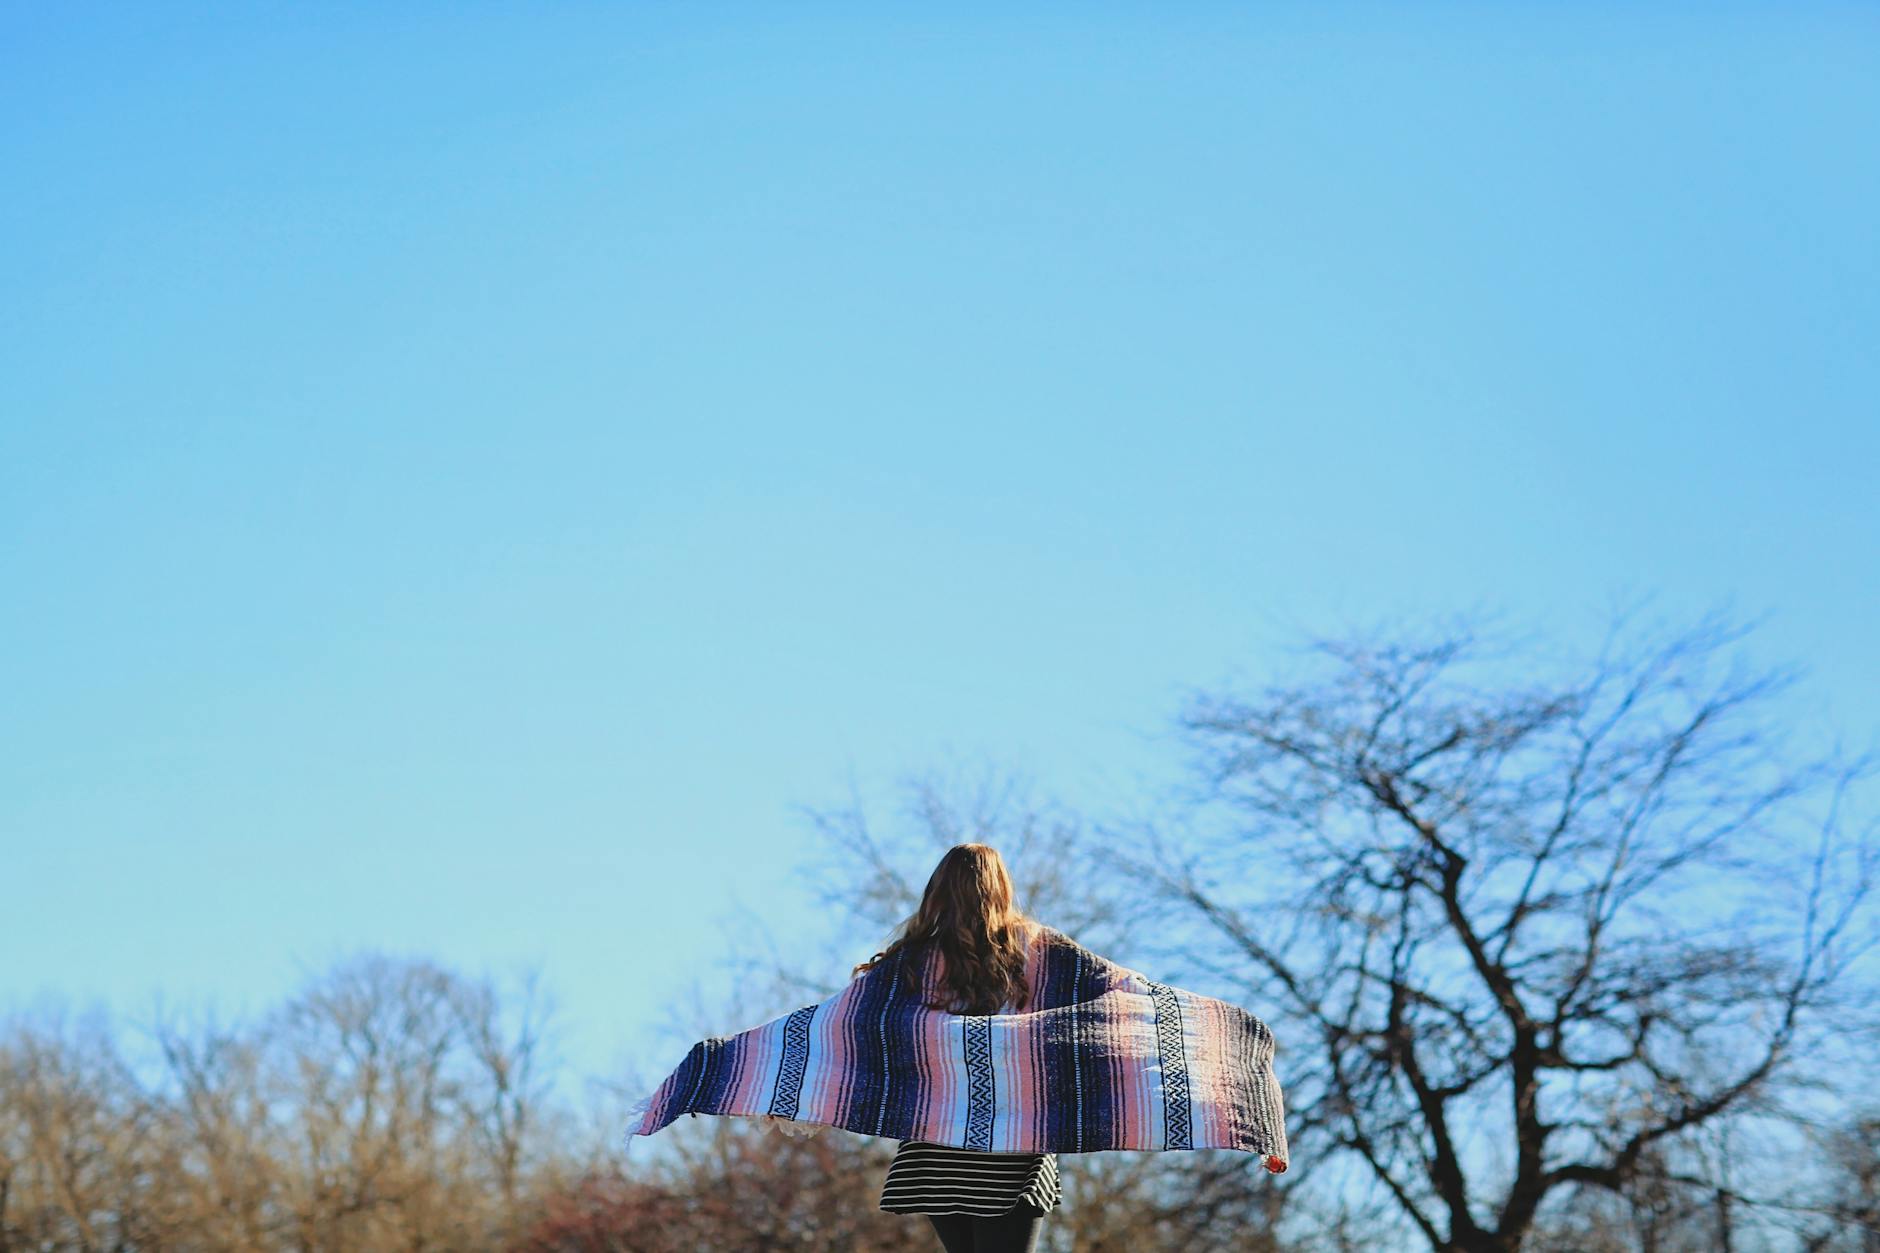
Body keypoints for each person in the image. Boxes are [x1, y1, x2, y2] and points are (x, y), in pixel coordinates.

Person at [860, 843, 1058, 1253]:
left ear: (939, 891)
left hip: (937, 1143)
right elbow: (1106, 1006)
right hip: (1010, 1138)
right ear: (1001, 888)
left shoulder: (908, 963)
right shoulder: (1040, 953)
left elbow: (844, 1025)